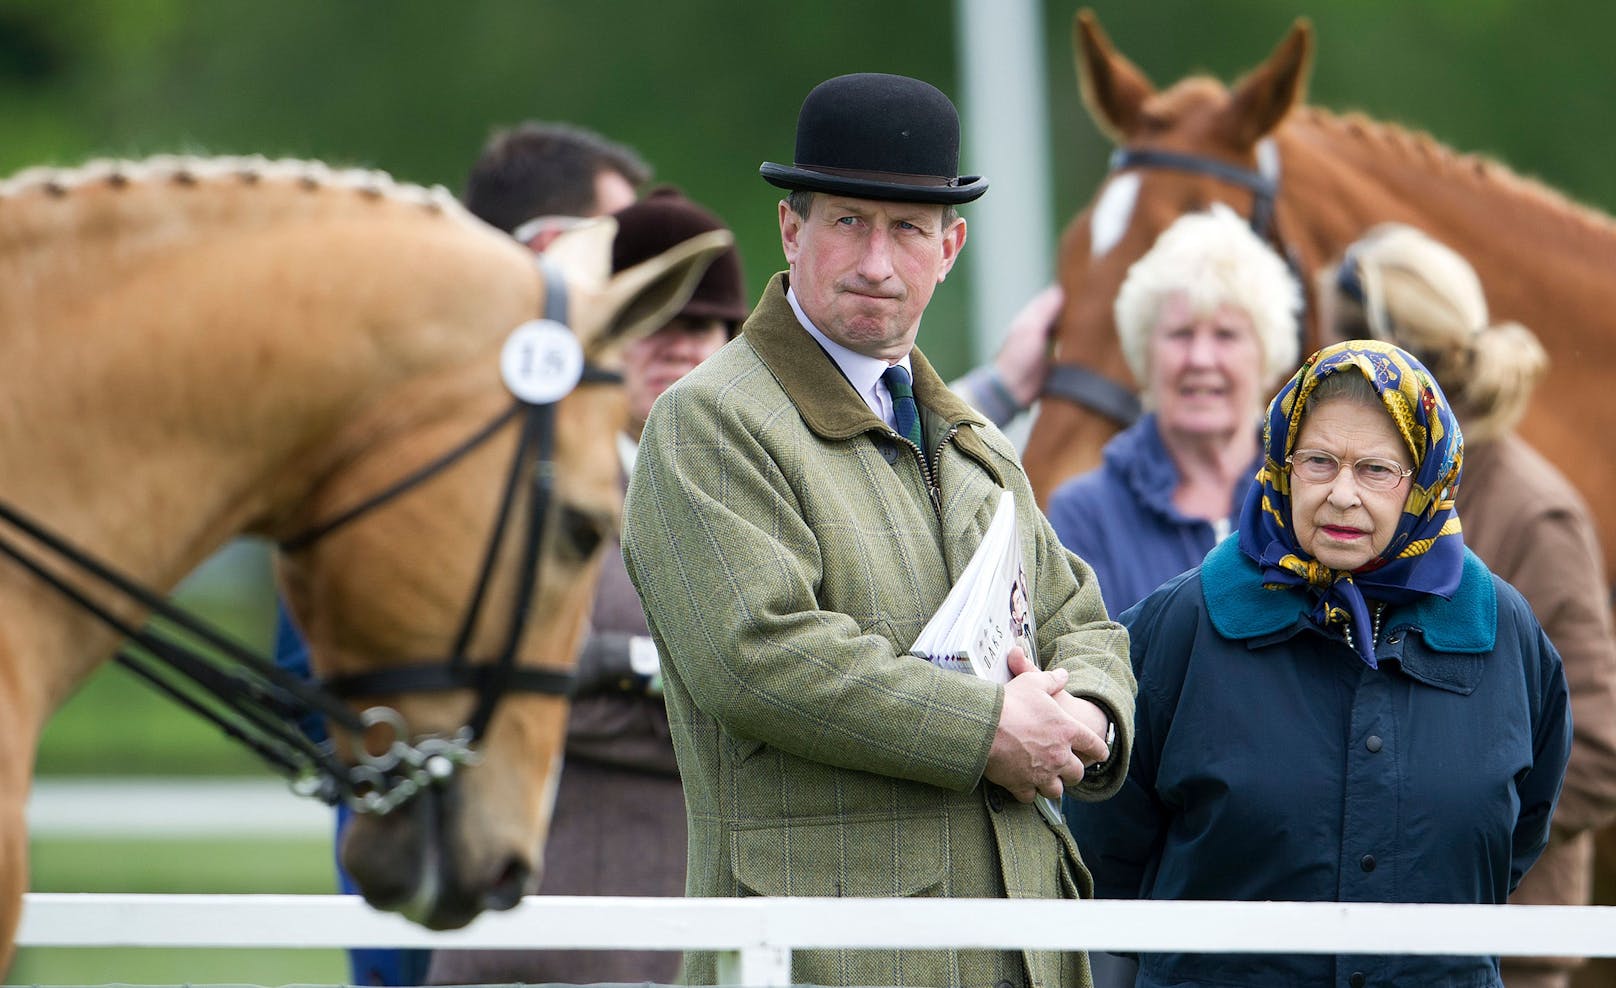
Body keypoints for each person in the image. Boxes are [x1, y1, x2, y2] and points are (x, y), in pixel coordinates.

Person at [620, 71, 1135, 988]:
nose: (875, 262)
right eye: (847, 221)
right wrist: (990, 729)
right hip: (825, 962)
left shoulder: (971, 439)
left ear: (951, 248)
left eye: (907, 229)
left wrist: (1083, 717)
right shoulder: (708, 421)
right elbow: (757, 654)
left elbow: (1083, 620)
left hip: (1019, 953)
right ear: (792, 230)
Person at [1067, 338, 1572, 987]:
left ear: (1425, 480)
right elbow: (1105, 844)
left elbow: (1518, 830)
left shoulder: (1504, 632)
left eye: (1375, 470)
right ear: (1281, 464)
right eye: (1319, 461)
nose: (1340, 494)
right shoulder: (1185, 623)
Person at [272, 120, 649, 987]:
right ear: (557, 248)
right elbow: (315, 686)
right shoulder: (402, 433)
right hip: (426, 889)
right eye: (617, 250)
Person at [424, 188, 748, 986]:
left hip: (701, 933)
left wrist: (613, 674)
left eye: (704, 327)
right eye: (657, 326)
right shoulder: (518, 490)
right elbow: (479, 688)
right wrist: (673, 682)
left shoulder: (752, 503)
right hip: (533, 936)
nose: (681, 347)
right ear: (602, 339)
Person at [1321, 225, 1616, 988]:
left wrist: (1434, 845)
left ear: (1384, 358)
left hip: (1497, 954)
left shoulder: (1533, 515)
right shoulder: (1363, 501)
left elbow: (1596, 749)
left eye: (1334, 352)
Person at [1045, 204, 1302, 617]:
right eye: (1180, 334)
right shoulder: (1085, 514)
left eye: (1226, 335)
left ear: (1268, 353)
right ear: (1143, 352)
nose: (1200, 358)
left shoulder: (1308, 493)